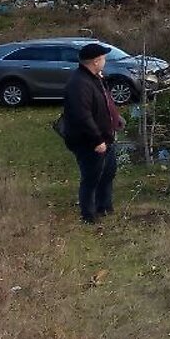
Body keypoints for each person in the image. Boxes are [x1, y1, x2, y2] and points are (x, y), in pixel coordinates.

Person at [61, 42, 123, 225]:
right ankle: (89, 215)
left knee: (108, 172)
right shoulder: (79, 83)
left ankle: (104, 206)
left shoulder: (95, 78)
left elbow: (104, 102)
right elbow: (82, 116)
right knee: (91, 177)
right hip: (89, 141)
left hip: (106, 136)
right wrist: (97, 140)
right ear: (95, 61)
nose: (105, 62)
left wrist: (116, 119)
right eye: (103, 59)